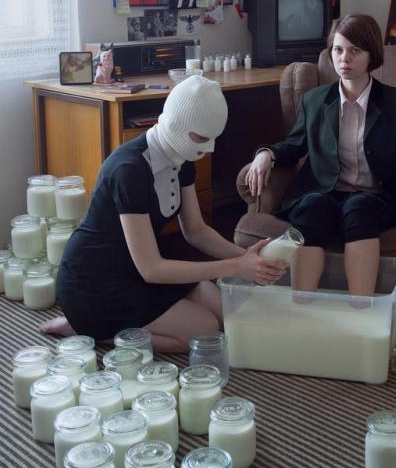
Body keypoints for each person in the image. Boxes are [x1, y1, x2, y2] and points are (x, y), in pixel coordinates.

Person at [41, 77, 286, 351]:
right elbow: (151, 269)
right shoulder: (128, 169)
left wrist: (246, 257)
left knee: (226, 312)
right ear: (177, 126)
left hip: (136, 270)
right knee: (205, 330)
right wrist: (233, 267)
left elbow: (196, 230)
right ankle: (89, 329)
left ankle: (106, 326)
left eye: (214, 138)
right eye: (202, 138)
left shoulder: (182, 157)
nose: (209, 148)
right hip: (93, 285)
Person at [245, 14, 396, 296]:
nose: (344, 58)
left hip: (380, 197)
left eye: (355, 50)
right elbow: (294, 145)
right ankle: (302, 305)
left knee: (359, 207)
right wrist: (266, 154)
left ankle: (362, 308)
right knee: (311, 206)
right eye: (338, 49)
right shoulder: (314, 101)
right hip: (327, 192)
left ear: (371, 55)